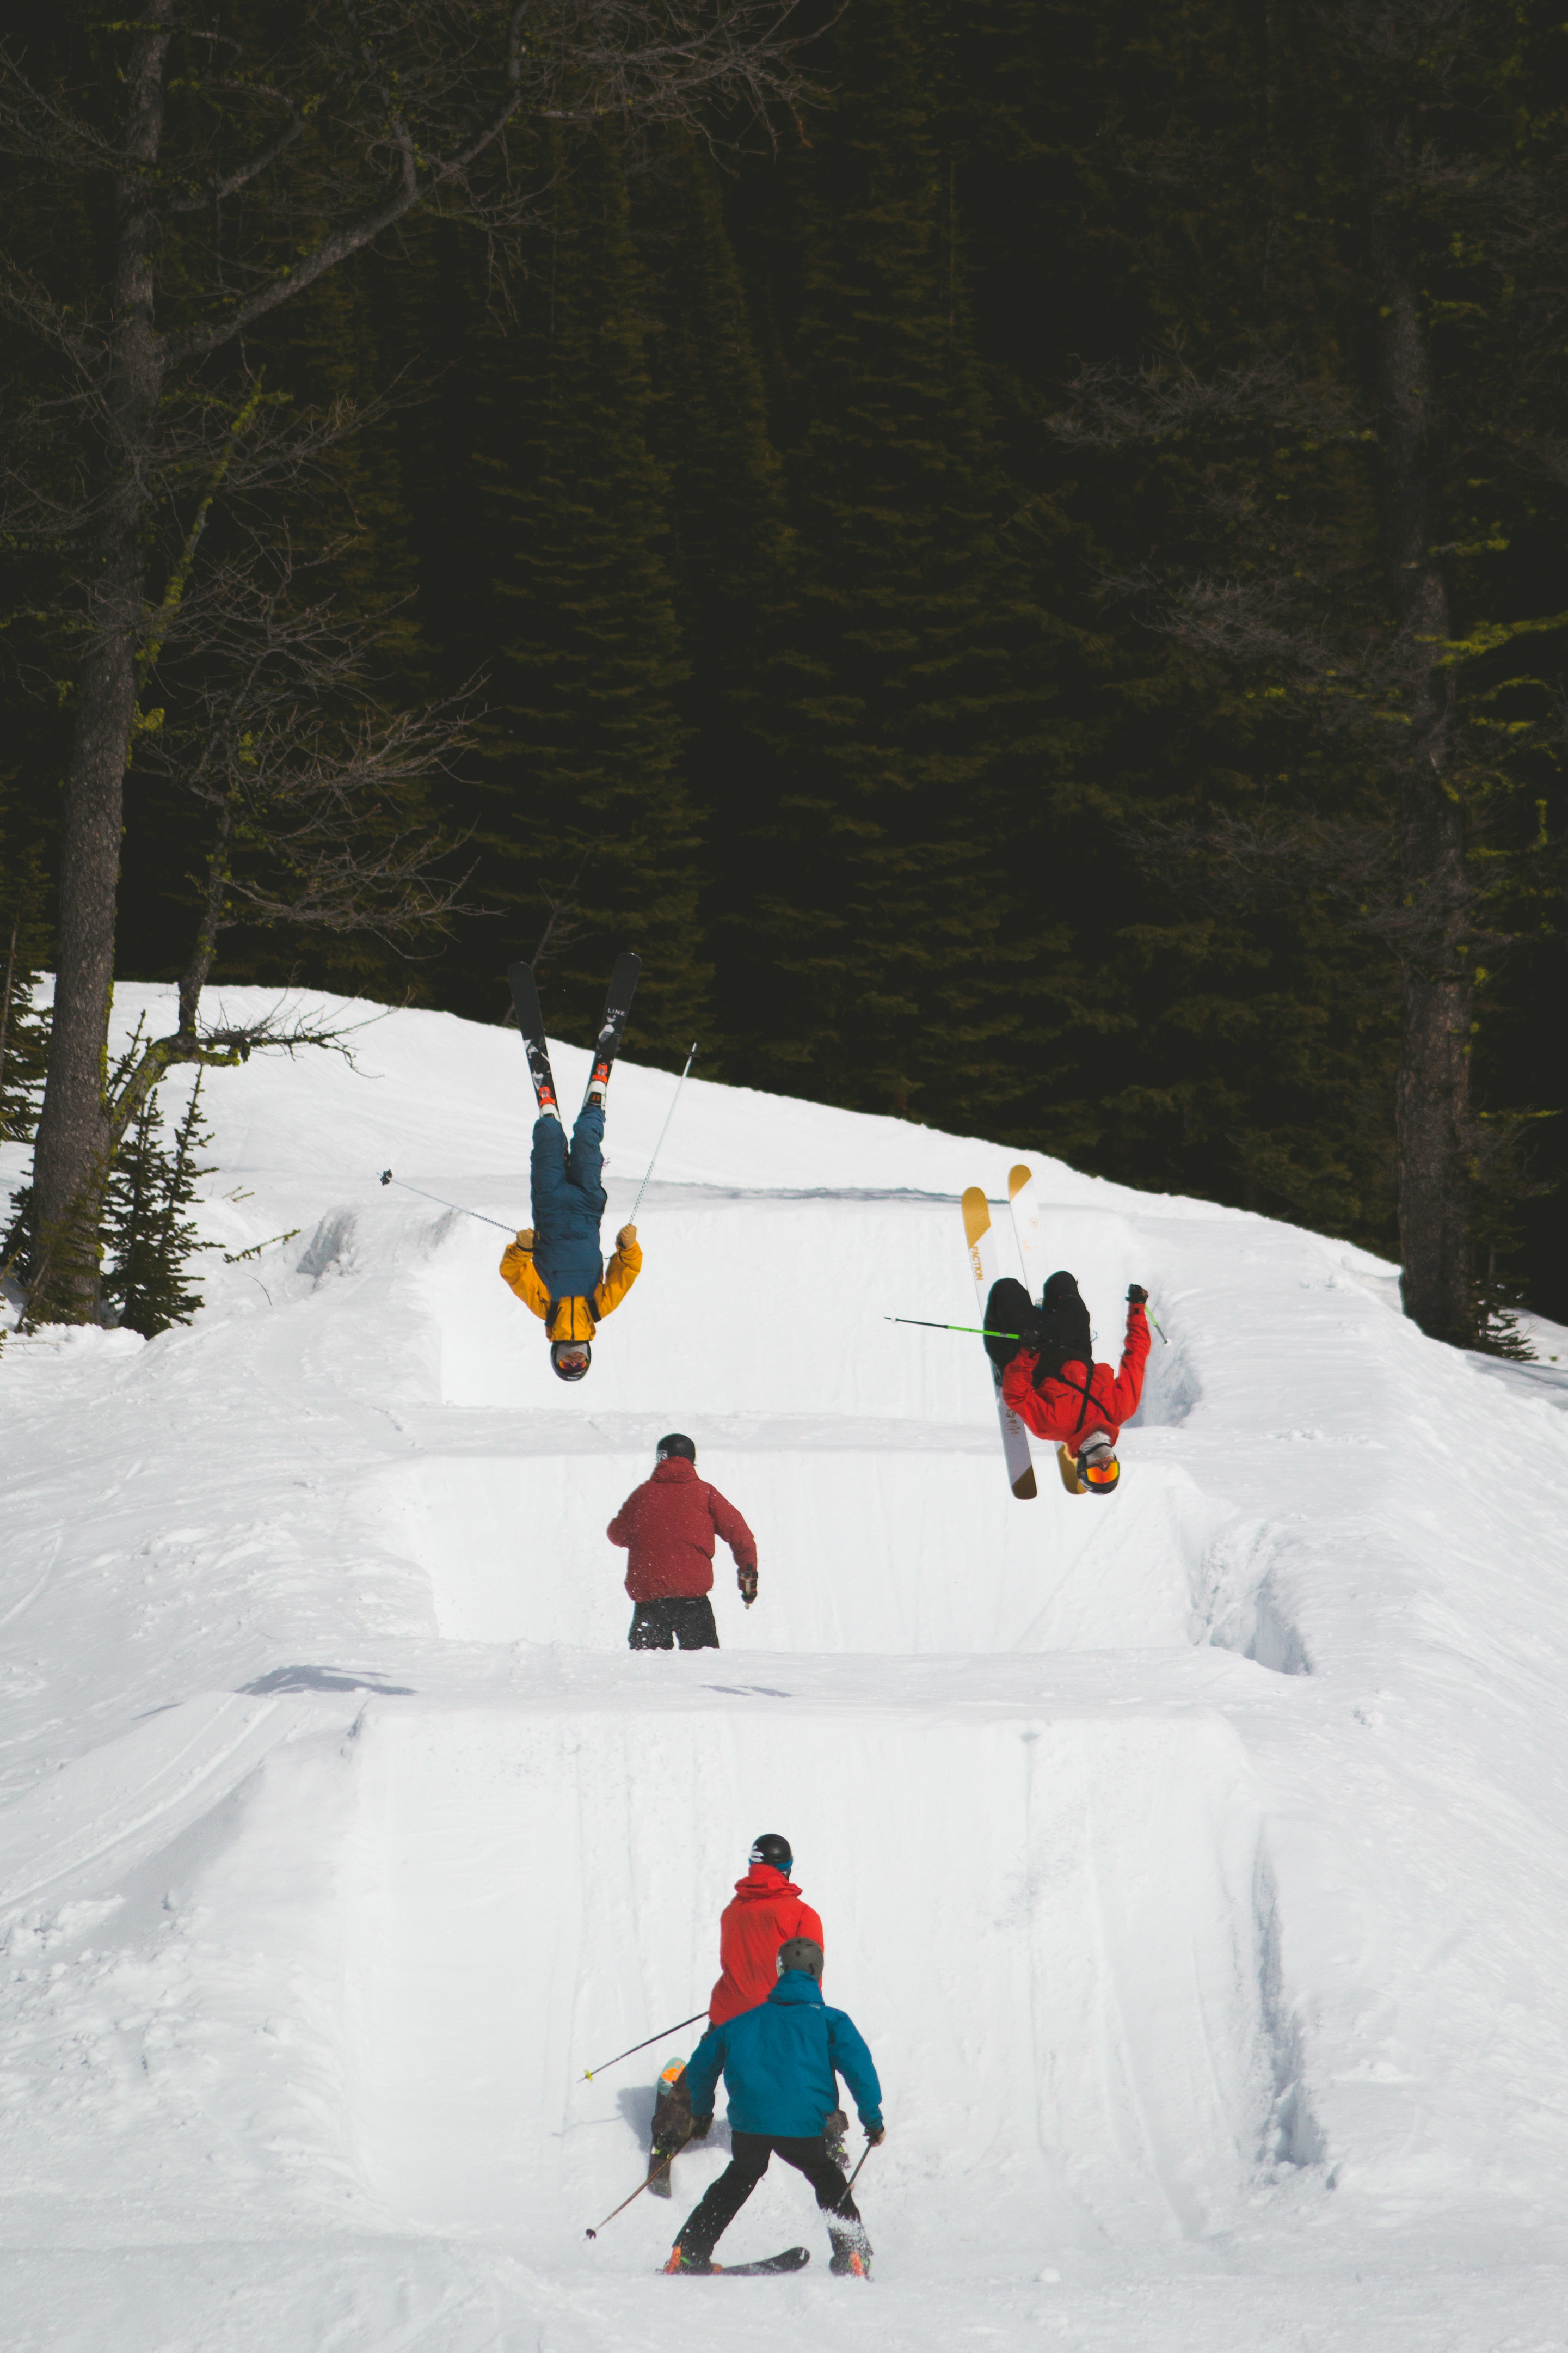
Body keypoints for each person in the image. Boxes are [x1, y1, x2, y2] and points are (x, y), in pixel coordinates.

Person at [660, 1938, 883, 2278]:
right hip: (805, 2127)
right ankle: (852, 2253)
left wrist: (703, 2112)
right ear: (817, 1972)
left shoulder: (741, 2023)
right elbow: (860, 2071)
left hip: (751, 2127)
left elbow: (702, 2065)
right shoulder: (832, 2022)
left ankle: (687, 2251)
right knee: (826, 2177)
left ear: (779, 1971)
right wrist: (873, 2120)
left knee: (739, 2177)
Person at [649, 1834, 826, 2193]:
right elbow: (809, 1977)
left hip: (730, 2011)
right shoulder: (803, 1915)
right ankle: (828, 2131)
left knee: (704, 2069)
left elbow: (734, 1960)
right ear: (787, 1869)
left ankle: (674, 2129)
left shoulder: (733, 1911)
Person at [499, 1095, 640, 1383]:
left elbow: (511, 1273)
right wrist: (629, 1247)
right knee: (587, 1140)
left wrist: (522, 1249)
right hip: (587, 1207)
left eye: (567, 1364)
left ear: (556, 1355)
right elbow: (627, 1272)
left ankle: (549, 1112)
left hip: (549, 1205)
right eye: (580, 1363)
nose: (574, 1361)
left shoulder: (544, 1307)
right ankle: (595, 1104)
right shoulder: (599, 1307)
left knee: (549, 1135)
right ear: (588, 1354)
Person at [997, 1272, 1150, 1496]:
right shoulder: (1122, 1408)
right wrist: (1137, 1309)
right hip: (1075, 1342)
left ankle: (1020, 1322)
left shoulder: (1052, 1427)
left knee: (1007, 1289)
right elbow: (1137, 1355)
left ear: (1083, 1466)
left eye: (1098, 1473)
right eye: (1112, 1469)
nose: (1105, 1465)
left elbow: (1016, 1396)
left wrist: (1028, 1354)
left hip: (1038, 1350)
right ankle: (1047, 1308)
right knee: (1062, 1281)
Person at [607, 1433, 758, 1651]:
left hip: (650, 1600)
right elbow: (742, 1538)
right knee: (703, 1671)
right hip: (693, 1601)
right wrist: (748, 1584)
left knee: (647, 1674)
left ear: (660, 1459)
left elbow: (616, 1534)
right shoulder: (706, 1494)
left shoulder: (643, 1495)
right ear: (692, 1460)